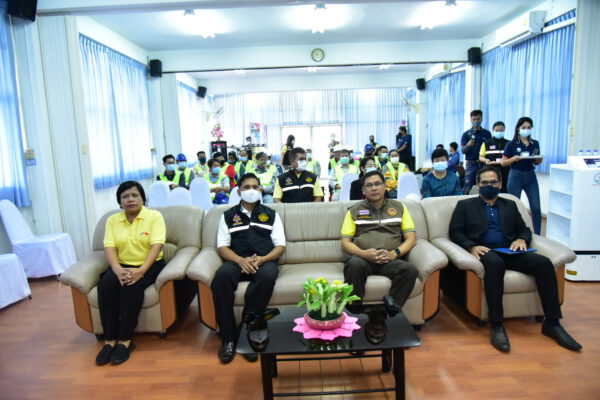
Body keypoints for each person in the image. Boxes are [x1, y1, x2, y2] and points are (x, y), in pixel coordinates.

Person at [449, 166, 581, 352]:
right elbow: (455, 231)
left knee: (543, 263)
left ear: (500, 184)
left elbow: (524, 229)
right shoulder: (465, 206)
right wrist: (471, 246)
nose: (489, 186)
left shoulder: (509, 205)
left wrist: (521, 239)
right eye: (485, 183)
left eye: (493, 182)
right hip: (485, 251)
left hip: (509, 249)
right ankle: (497, 324)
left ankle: (553, 323)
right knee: (495, 264)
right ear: (478, 184)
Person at [211, 173, 286, 363]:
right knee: (220, 278)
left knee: (267, 276)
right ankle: (228, 338)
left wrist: (262, 259)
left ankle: (246, 330)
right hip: (236, 260)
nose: (251, 190)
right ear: (238, 192)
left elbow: (280, 246)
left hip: (264, 260)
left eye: (255, 187)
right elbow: (222, 246)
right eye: (246, 187)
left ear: (260, 189)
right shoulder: (228, 215)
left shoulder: (271, 214)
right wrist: (240, 261)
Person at [96, 181, 166, 366]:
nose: (130, 200)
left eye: (135, 195)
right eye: (125, 197)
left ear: (143, 198)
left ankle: (125, 340)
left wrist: (141, 271)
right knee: (106, 286)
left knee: (131, 288)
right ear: (120, 202)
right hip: (121, 265)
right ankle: (109, 340)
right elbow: (109, 247)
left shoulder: (154, 217)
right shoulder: (112, 220)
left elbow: (157, 245)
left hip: (149, 265)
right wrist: (117, 270)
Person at [341, 170, 419, 317]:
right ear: (363, 190)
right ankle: (354, 309)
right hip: (363, 259)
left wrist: (394, 254)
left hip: (390, 259)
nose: (374, 188)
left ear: (385, 186)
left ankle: (390, 308)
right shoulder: (354, 210)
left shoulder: (399, 208)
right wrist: (364, 253)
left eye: (377, 184)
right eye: (369, 185)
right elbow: (345, 242)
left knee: (410, 270)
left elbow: (411, 239)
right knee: (354, 265)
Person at [501, 117, 543, 234]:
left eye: (529, 127)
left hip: (530, 175)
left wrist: (539, 160)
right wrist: (513, 159)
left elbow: (536, 161)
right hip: (515, 175)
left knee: (536, 207)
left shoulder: (535, 144)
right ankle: (512, 233)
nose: (526, 129)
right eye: (524, 127)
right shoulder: (511, 144)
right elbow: (503, 162)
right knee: (513, 206)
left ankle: (537, 234)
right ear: (518, 128)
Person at [460, 110, 492, 194]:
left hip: (484, 163)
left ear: (481, 119)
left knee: (484, 185)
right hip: (471, 164)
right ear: (470, 120)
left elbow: (490, 149)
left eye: (478, 119)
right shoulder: (466, 134)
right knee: (468, 187)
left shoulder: (487, 134)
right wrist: (468, 145)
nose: (476, 121)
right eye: (474, 119)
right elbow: (463, 151)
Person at [480, 121, 510, 193]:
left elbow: (511, 157)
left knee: (504, 192)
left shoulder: (509, 143)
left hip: (505, 171)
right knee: (491, 191)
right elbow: (481, 157)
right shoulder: (486, 143)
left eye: (501, 130)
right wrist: (486, 160)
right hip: (491, 171)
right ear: (493, 130)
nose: (499, 132)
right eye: (497, 130)